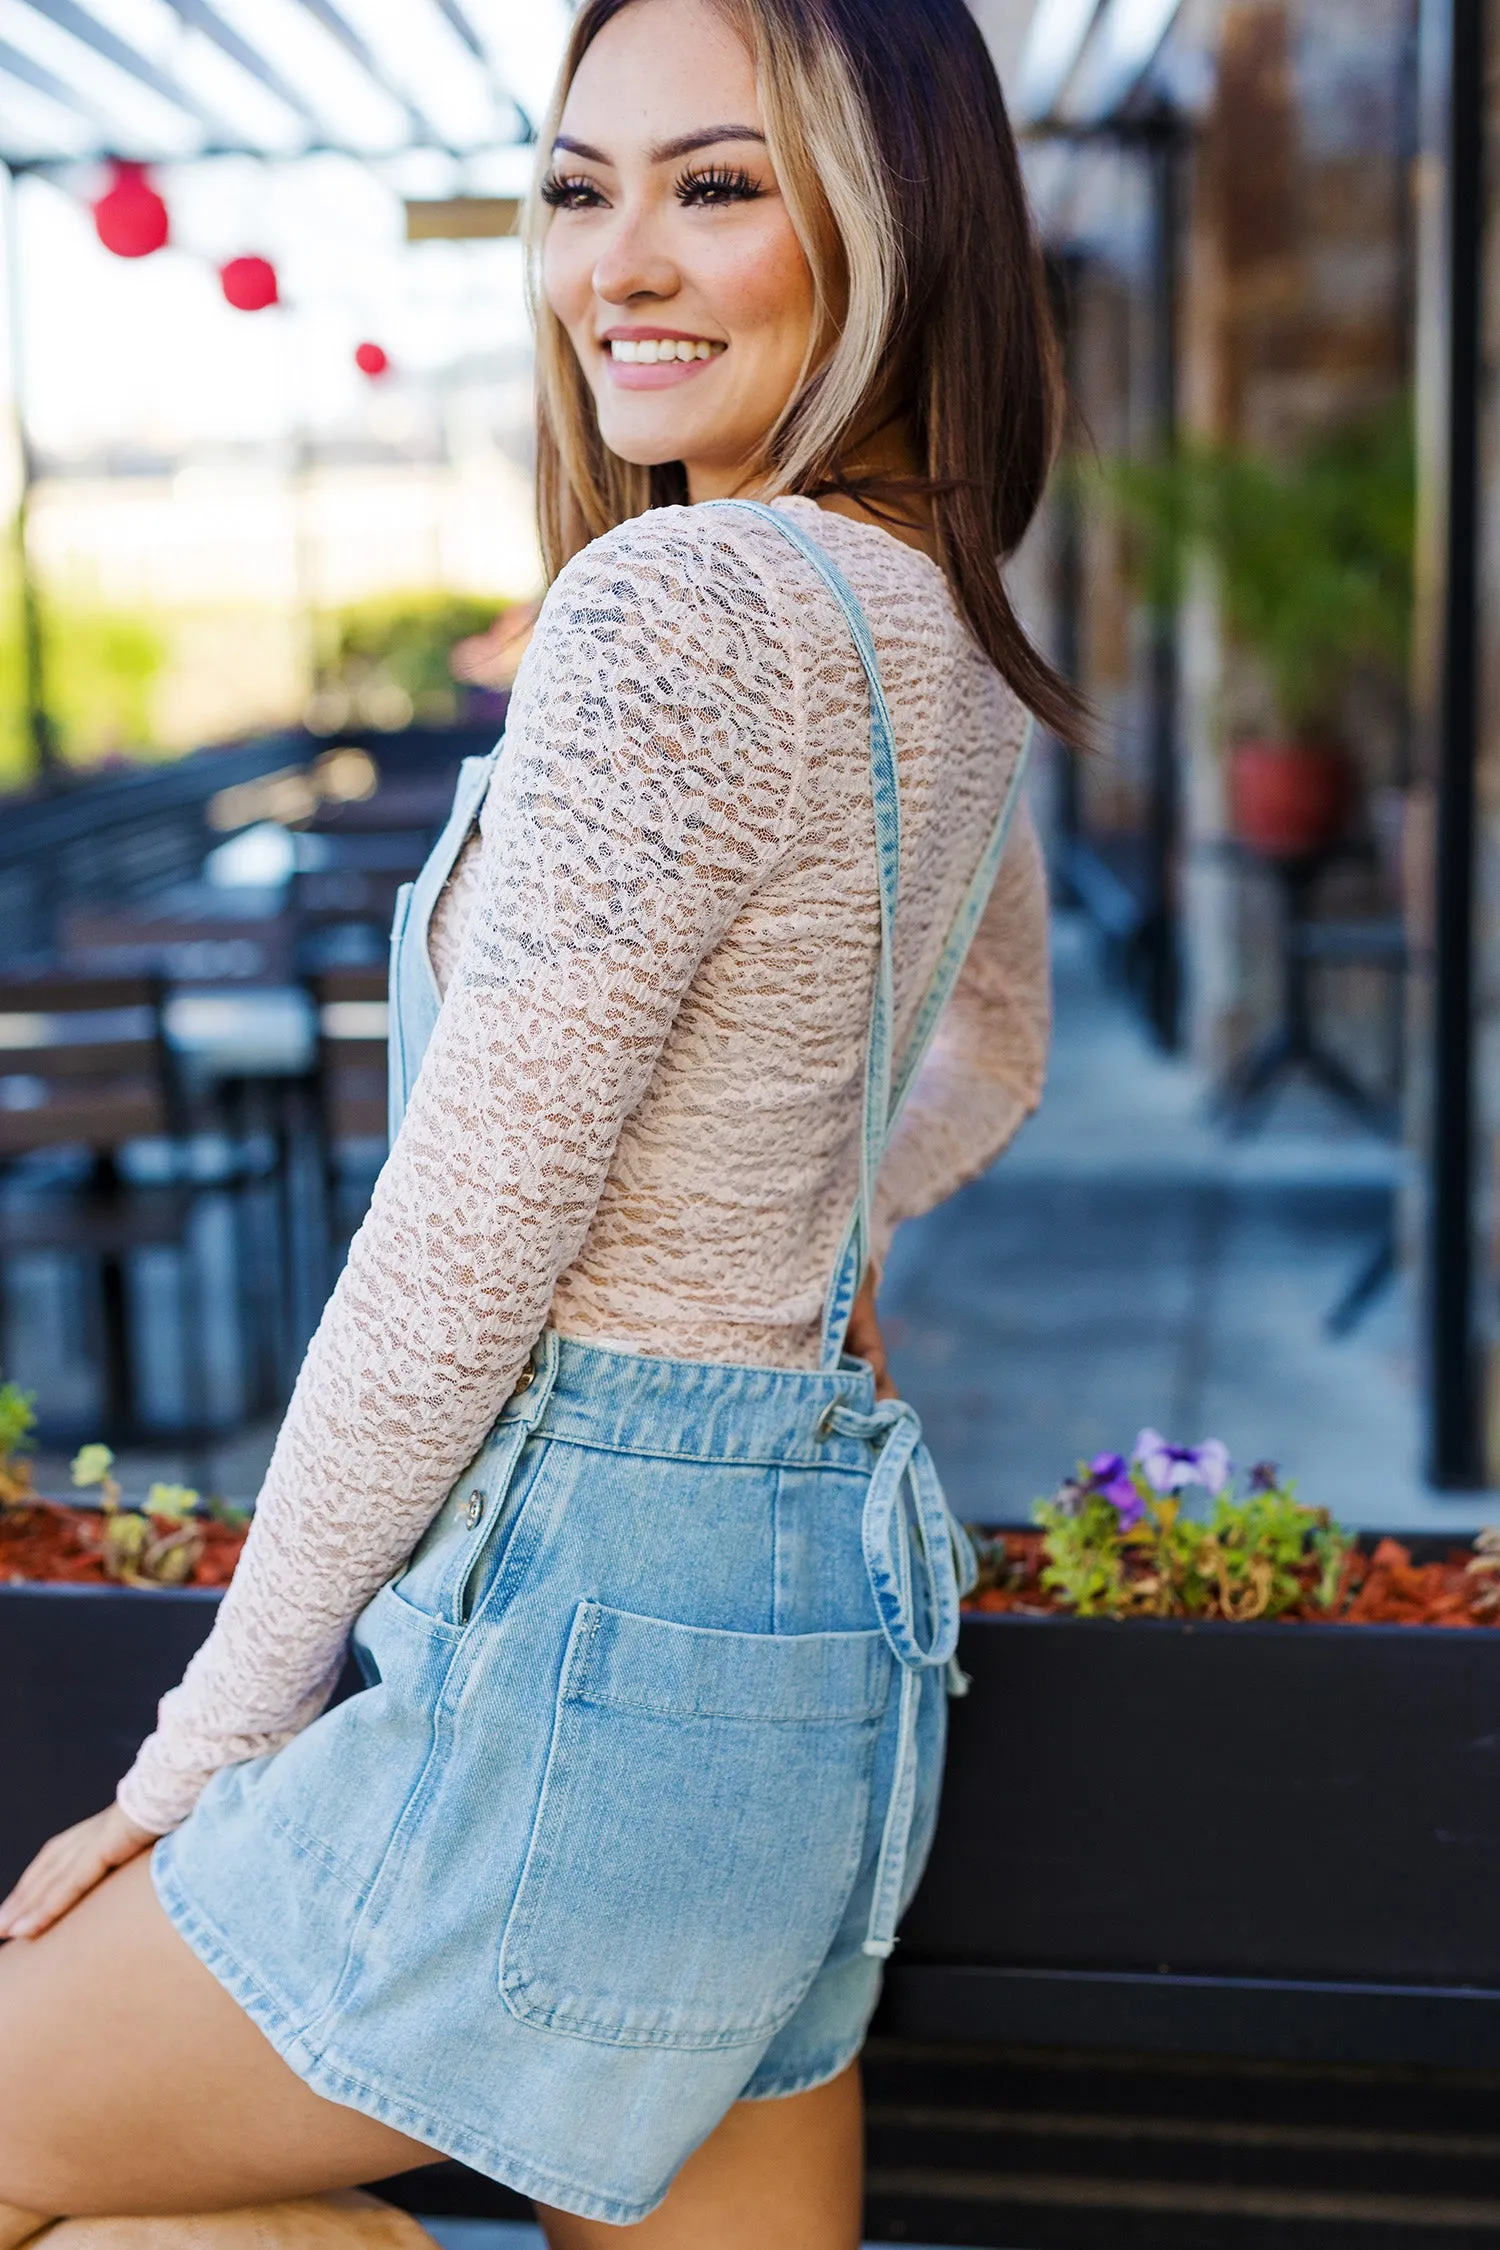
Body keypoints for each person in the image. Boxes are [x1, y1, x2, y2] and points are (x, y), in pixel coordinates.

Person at [0, 0, 1074, 2241]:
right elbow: (992, 1048)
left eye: (719, 184)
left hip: (579, 1662)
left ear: (891, 228)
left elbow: (455, 1253)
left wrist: (204, 1755)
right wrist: (785, 1238)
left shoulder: (680, 606)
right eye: (581, 191)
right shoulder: (944, 619)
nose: (622, 264)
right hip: (811, 1680)